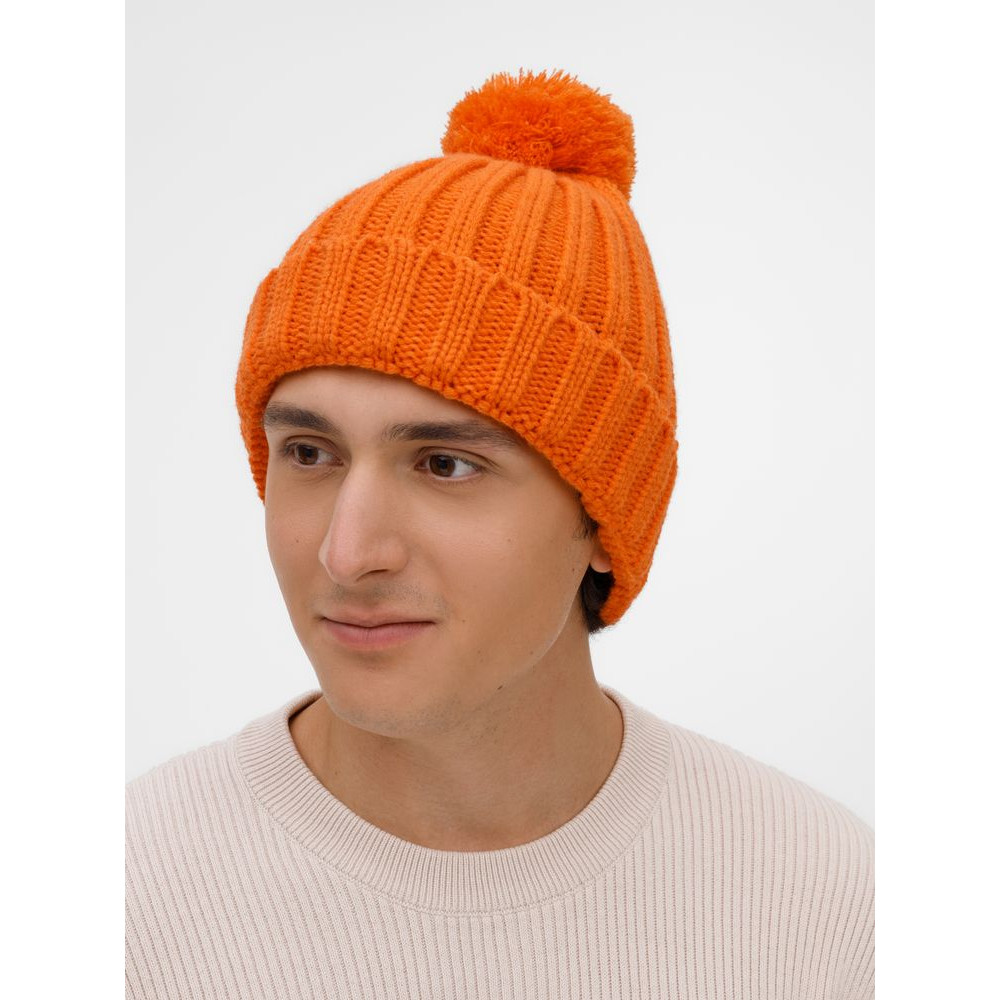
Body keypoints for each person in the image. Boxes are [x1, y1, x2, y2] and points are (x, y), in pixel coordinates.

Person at [125, 68, 874, 999]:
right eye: (310, 454)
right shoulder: (120, 904)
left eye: (445, 465)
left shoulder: (830, 909)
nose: (346, 553)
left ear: (601, 516)